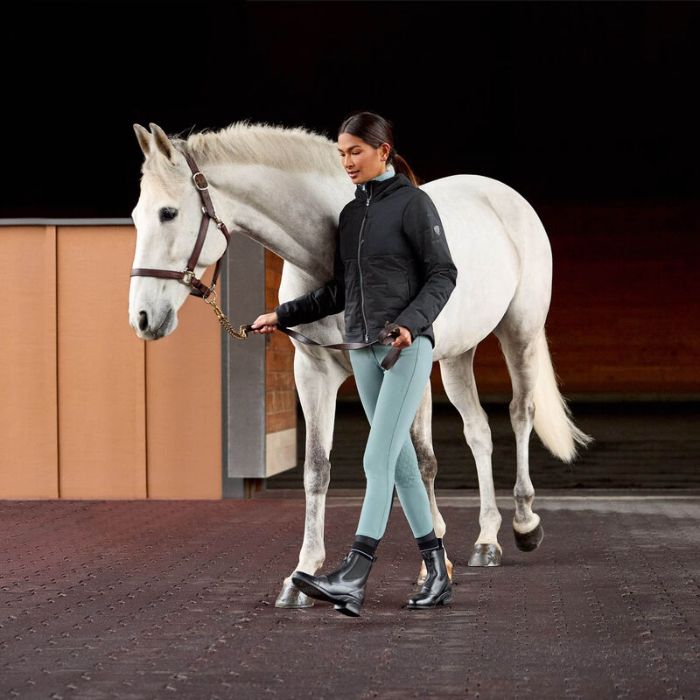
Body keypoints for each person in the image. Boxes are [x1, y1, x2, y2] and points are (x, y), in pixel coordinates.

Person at [251, 110, 458, 616]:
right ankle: (436, 573)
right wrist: (282, 313)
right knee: (401, 464)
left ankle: (354, 571)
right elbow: (342, 291)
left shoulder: (414, 203)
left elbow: (443, 274)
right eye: (341, 153)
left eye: (355, 152)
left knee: (374, 456)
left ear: (383, 151)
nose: (346, 162)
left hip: (405, 347)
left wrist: (412, 324)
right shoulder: (352, 215)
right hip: (362, 347)